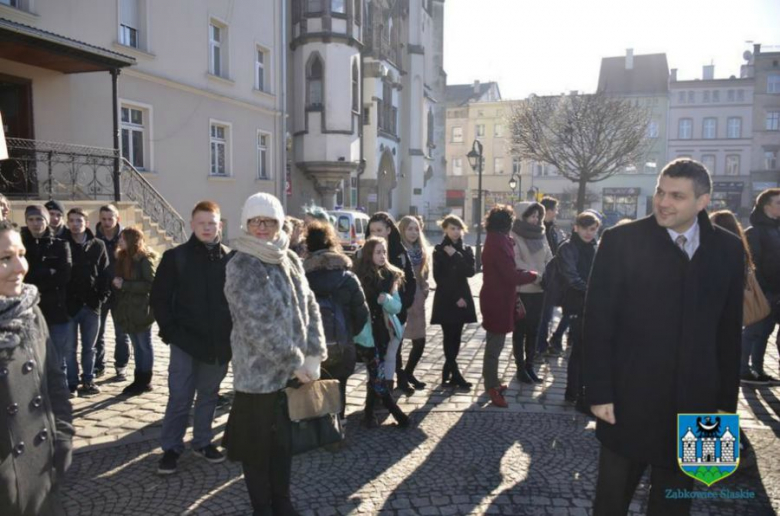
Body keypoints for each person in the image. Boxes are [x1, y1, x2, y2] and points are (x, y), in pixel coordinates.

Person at [583, 158, 744, 516]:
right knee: (611, 503)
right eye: (660, 191)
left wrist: (724, 407)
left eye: (677, 195)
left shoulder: (729, 249)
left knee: (674, 505)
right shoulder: (621, 240)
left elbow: (729, 333)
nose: (663, 202)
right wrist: (599, 391)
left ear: (703, 202)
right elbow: (597, 323)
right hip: (628, 399)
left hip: (698, 405)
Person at [222, 192, 326, 515]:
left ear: (280, 223)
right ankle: (262, 508)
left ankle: (282, 503)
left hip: (291, 375)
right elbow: (259, 326)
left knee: (283, 447)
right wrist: (297, 362)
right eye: (255, 221)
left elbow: (310, 305)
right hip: (258, 378)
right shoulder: (241, 264)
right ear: (246, 224)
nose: (262, 227)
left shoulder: (289, 258)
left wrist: (314, 353)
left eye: (269, 221)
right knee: (257, 450)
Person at [151, 201, 234, 475]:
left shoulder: (231, 259)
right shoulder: (176, 257)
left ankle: (202, 441)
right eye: (202, 223)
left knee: (209, 396)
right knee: (180, 396)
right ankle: (172, 448)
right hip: (185, 341)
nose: (207, 228)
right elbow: (159, 300)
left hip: (218, 343)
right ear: (192, 224)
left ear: (220, 225)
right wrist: (171, 332)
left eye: (212, 223)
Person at [0, 220, 75, 516]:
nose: (20, 267)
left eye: (22, 254)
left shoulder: (30, 310)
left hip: (42, 470)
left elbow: (54, 381)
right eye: (5, 258)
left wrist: (63, 439)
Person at [303, 220, 369, 420]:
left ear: (309, 247)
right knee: (340, 387)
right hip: (343, 345)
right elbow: (362, 313)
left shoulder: (302, 277)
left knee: (314, 387)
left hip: (312, 347)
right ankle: (339, 425)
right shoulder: (348, 277)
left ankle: (318, 429)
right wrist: (349, 333)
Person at [479, 205, 538, 408]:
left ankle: (492, 382)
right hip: (498, 300)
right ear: (507, 223)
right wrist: (532, 275)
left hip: (498, 297)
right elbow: (510, 275)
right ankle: (491, 387)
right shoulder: (498, 241)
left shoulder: (498, 238)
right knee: (494, 347)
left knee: (494, 344)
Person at [353, 236, 411, 427]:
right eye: (378, 252)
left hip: (383, 331)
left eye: (384, 251)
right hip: (365, 333)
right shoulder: (358, 275)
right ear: (369, 254)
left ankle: (369, 414)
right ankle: (397, 414)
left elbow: (397, 307)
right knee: (376, 372)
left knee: (374, 372)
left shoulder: (391, 275)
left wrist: (386, 299)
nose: (382, 255)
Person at [365, 212, 417, 395]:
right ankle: (378, 389)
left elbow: (410, 280)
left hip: (396, 312)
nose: (375, 234)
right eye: (372, 230)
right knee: (376, 355)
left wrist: (404, 305)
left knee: (392, 352)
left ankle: (391, 384)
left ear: (388, 230)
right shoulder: (365, 253)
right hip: (373, 316)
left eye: (379, 230)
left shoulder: (398, 252)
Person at [20, 205, 72, 384]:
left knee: (57, 358)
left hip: (55, 309)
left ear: (46, 220)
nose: (35, 224)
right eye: (31, 219)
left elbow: (64, 275)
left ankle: (60, 396)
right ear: (26, 221)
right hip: (27, 311)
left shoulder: (60, 244)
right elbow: (19, 276)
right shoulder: (19, 246)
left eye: (39, 219)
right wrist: (46, 272)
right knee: (30, 358)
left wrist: (35, 280)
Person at [63, 207, 110, 397]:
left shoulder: (98, 244)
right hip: (70, 305)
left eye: (79, 221)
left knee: (90, 347)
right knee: (69, 348)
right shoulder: (62, 243)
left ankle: (88, 380)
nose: (75, 224)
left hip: (92, 305)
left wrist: (102, 297)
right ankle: (71, 383)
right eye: (72, 221)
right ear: (68, 223)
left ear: (86, 223)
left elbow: (105, 273)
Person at [430, 214, 477, 389]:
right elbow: (439, 278)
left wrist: (456, 255)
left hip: (463, 296)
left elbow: (470, 271)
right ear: (445, 230)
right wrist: (456, 298)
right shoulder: (438, 250)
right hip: (446, 298)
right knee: (448, 335)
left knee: (456, 336)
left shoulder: (466, 249)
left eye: (458, 228)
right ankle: (455, 374)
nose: (455, 232)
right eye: (452, 228)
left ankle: (447, 372)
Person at [557, 212, 600, 405]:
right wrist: (593, 290)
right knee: (579, 348)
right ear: (576, 227)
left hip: (593, 304)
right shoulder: (568, 247)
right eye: (585, 228)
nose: (589, 233)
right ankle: (574, 392)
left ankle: (577, 391)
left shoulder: (595, 246)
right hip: (575, 302)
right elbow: (571, 276)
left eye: (592, 229)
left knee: (586, 349)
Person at [511, 201, 553, 384]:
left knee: (534, 330)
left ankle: (530, 365)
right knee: (520, 330)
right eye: (532, 216)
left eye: (538, 216)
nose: (535, 220)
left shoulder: (541, 235)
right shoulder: (514, 235)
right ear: (522, 216)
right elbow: (516, 261)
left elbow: (549, 257)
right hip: (524, 289)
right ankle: (520, 367)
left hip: (540, 290)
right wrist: (537, 276)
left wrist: (549, 274)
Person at [113, 227, 158, 396]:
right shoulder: (123, 257)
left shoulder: (144, 259)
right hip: (128, 308)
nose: (120, 242)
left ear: (132, 239)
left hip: (141, 309)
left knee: (143, 345)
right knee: (136, 346)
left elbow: (151, 285)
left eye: (123, 239)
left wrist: (125, 285)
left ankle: (145, 380)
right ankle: (138, 378)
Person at [742, 188, 780, 385]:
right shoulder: (755, 232)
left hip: (776, 290)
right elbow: (753, 263)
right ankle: (742, 370)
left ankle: (758, 369)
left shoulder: (776, 230)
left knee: (765, 331)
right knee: (752, 331)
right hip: (762, 291)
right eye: (778, 203)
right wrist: (764, 290)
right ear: (767, 207)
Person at [94, 204, 130, 380]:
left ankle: (121, 365)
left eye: (110, 218)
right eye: (103, 219)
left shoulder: (127, 239)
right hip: (99, 292)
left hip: (120, 292)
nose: (107, 222)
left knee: (121, 333)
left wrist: (126, 280)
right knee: (97, 333)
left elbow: (136, 261)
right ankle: (98, 366)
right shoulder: (93, 238)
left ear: (118, 219)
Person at [398, 215, 431, 390]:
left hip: (417, 300)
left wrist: (424, 290)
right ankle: (400, 377)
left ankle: (408, 372)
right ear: (402, 230)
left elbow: (424, 275)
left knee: (420, 340)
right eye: (409, 229)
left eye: (416, 228)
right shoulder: (398, 250)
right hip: (401, 299)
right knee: (399, 341)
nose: (413, 232)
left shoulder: (421, 250)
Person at [536, 196, 570, 358]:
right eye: (555, 210)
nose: (556, 213)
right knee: (544, 316)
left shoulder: (552, 228)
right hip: (546, 279)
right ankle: (540, 347)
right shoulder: (540, 230)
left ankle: (543, 344)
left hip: (555, 278)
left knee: (549, 315)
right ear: (548, 211)